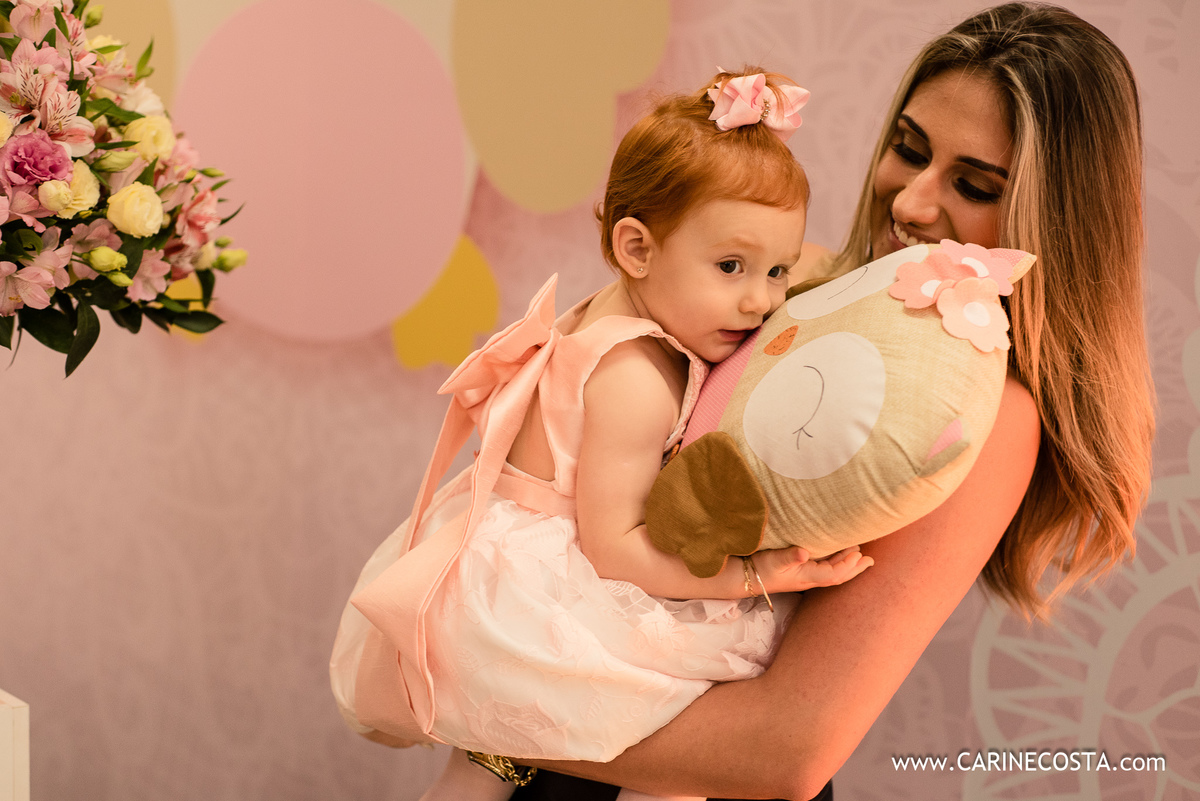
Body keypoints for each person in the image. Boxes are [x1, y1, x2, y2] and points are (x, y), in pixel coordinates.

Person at [508, 3, 1155, 800]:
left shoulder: (986, 417)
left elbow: (787, 751)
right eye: (907, 149)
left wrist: (490, 710)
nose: (912, 202)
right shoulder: (797, 281)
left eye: (973, 185)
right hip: (562, 706)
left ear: (1055, 220)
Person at [329, 68, 872, 801]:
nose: (760, 300)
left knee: (486, 766)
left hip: (501, 560)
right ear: (637, 248)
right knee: (687, 700)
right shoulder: (636, 377)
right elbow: (616, 551)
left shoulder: (614, 308)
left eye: (777, 270)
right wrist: (757, 576)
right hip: (552, 590)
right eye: (731, 266)